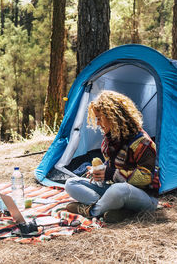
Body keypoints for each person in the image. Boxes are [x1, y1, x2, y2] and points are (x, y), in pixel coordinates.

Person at [65, 90, 159, 223]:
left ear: (113, 117)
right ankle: (118, 210)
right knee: (71, 183)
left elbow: (146, 177)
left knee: (119, 189)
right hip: (114, 189)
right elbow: (111, 168)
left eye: (99, 118)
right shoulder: (109, 139)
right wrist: (98, 172)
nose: (97, 123)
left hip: (144, 196)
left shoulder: (143, 142)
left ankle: (92, 211)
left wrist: (110, 173)